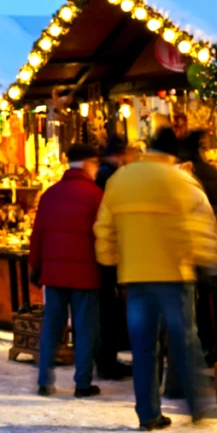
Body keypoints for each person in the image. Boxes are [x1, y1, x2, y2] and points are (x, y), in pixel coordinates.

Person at [95, 128, 217, 431]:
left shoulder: (119, 180)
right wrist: (206, 263)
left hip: (135, 278)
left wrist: (111, 260)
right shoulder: (180, 180)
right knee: (184, 340)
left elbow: (103, 228)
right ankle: (196, 407)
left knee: (143, 347)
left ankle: (149, 414)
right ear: (172, 153)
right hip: (175, 276)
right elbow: (201, 225)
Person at [30, 143, 104, 398]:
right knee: (85, 330)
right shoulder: (95, 195)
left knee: (52, 327)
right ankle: (82, 383)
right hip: (85, 274)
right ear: (87, 164)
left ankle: (44, 380)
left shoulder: (49, 194)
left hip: (54, 274)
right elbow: (101, 236)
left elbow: (37, 235)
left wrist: (36, 267)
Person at [179, 131, 217, 367]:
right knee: (197, 312)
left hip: (180, 262)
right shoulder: (201, 186)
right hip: (197, 258)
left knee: (183, 319)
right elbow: (208, 225)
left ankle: (186, 368)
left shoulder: (183, 188)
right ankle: (204, 354)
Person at [94, 136, 133, 380]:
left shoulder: (104, 175)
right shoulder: (110, 178)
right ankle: (107, 364)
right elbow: (110, 223)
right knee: (108, 312)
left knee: (106, 313)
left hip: (104, 257)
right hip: (109, 259)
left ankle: (107, 362)